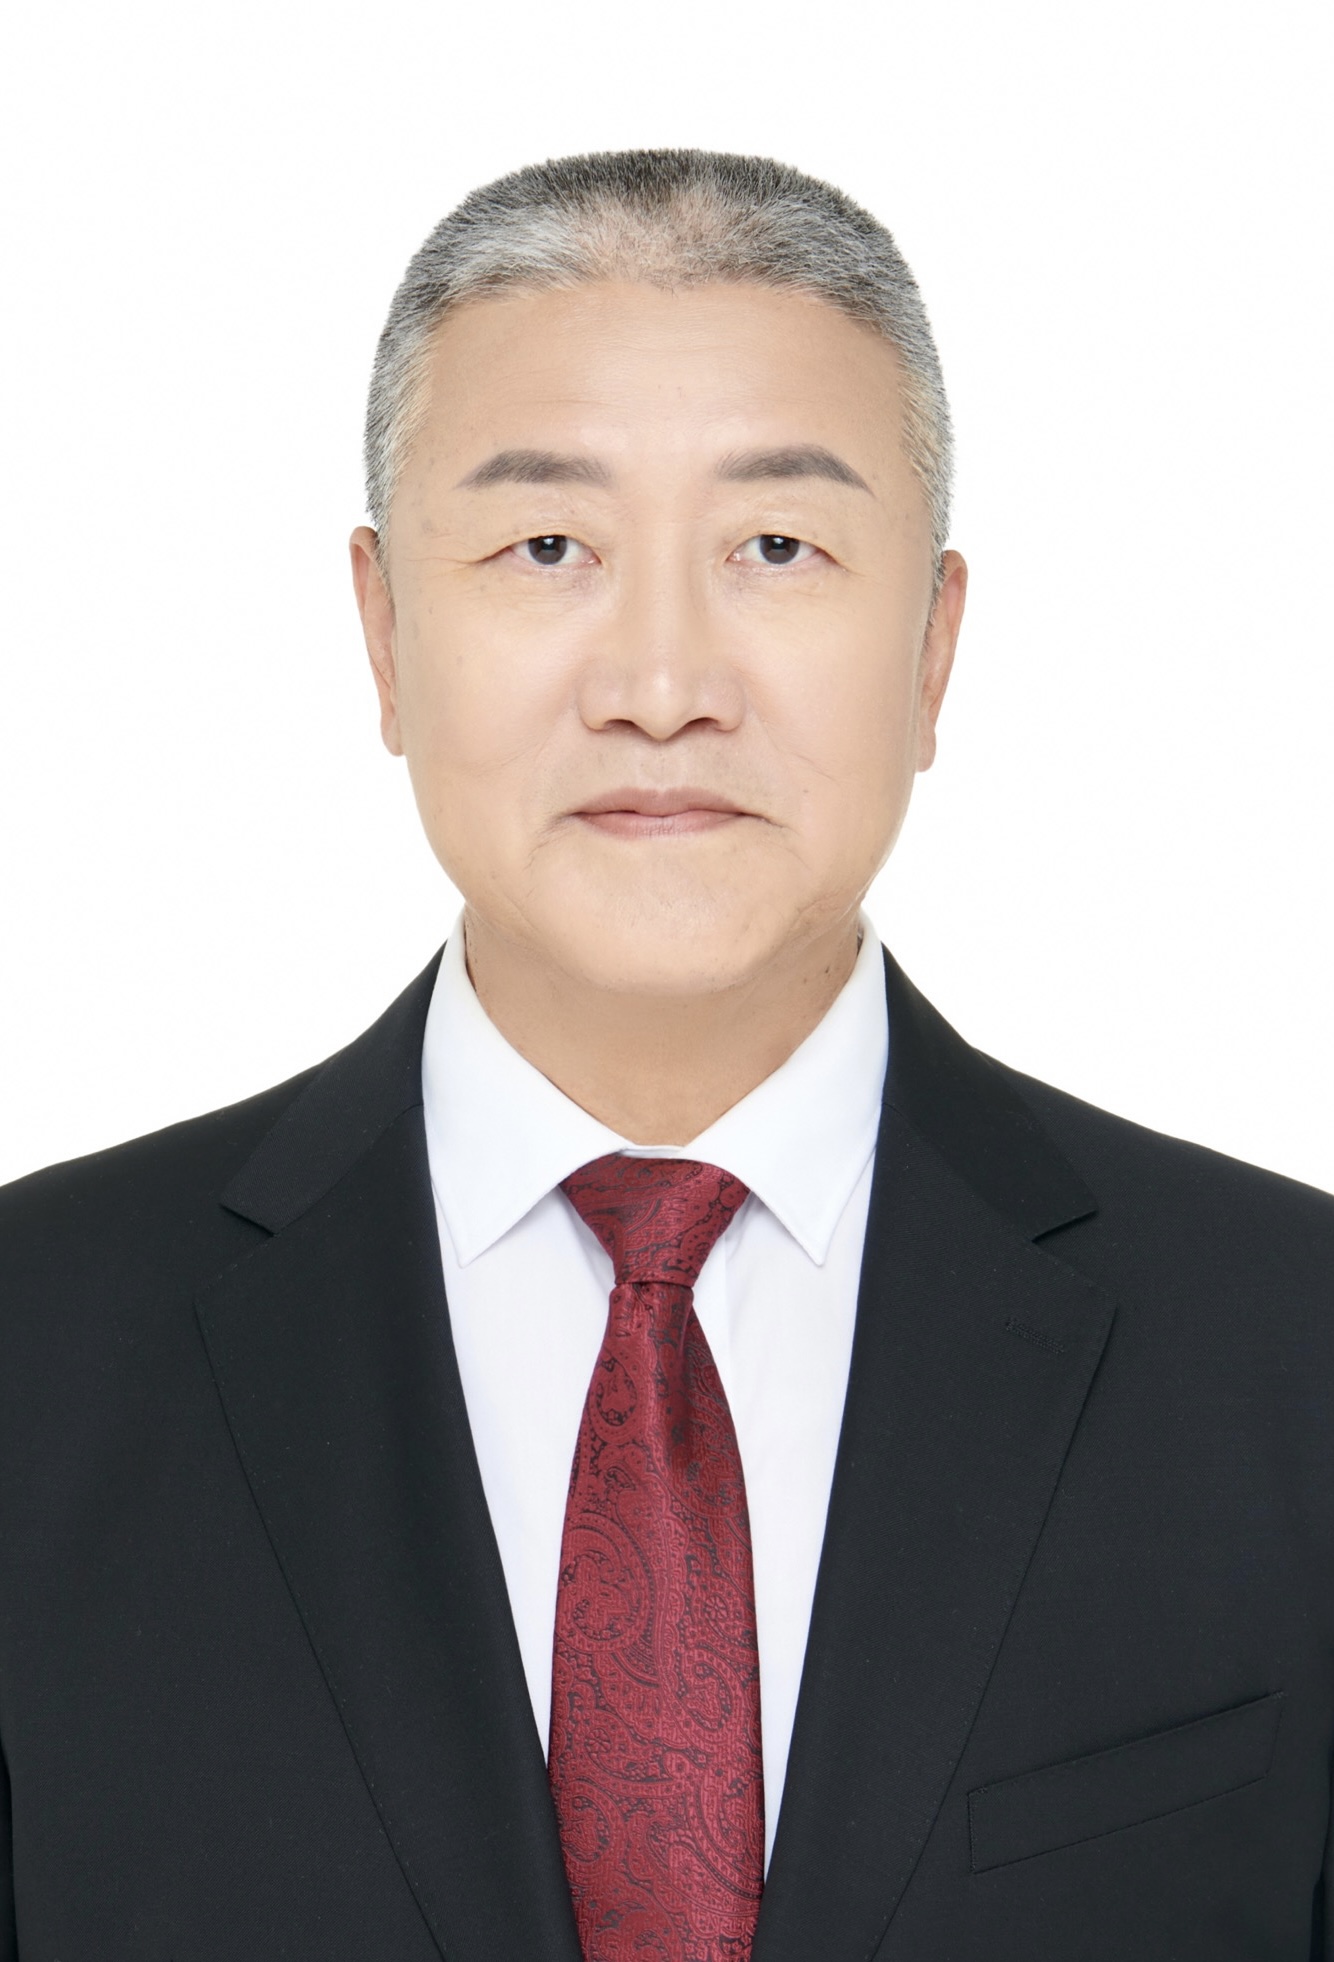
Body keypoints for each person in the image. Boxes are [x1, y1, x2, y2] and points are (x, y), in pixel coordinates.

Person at [0, 146, 1331, 1962]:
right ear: (383, 633)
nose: (658, 684)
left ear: (932, 649)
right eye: (547, 547)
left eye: (775, 548)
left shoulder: (1290, 1351)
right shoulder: (35, 1351)